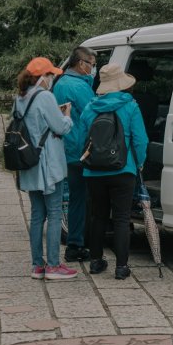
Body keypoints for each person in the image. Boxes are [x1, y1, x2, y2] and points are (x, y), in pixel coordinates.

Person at [77, 63, 149, 280]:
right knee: (121, 218)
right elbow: (140, 140)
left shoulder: (90, 108)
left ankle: (96, 261)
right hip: (123, 170)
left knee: (98, 216)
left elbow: (82, 139)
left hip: (94, 171)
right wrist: (140, 163)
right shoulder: (130, 106)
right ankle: (121, 267)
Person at [15, 57, 78, 281]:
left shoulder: (20, 97)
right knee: (54, 213)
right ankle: (53, 265)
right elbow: (61, 127)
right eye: (51, 75)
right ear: (42, 78)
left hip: (29, 163)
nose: (52, 79)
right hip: (49, 163)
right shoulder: (45, 97)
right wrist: (67, 115)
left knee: (36, 215)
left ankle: (37, 266)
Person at [52, 46, 98, 262]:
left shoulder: (59, 83)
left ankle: (73, 243)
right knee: (81, 199)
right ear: (81, 64)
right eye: (92, 64)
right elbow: (95, 113)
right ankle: (76, 245)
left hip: (65, 149)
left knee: (72, 199)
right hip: (81, 151)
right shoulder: (79, 87)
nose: (93, 69)